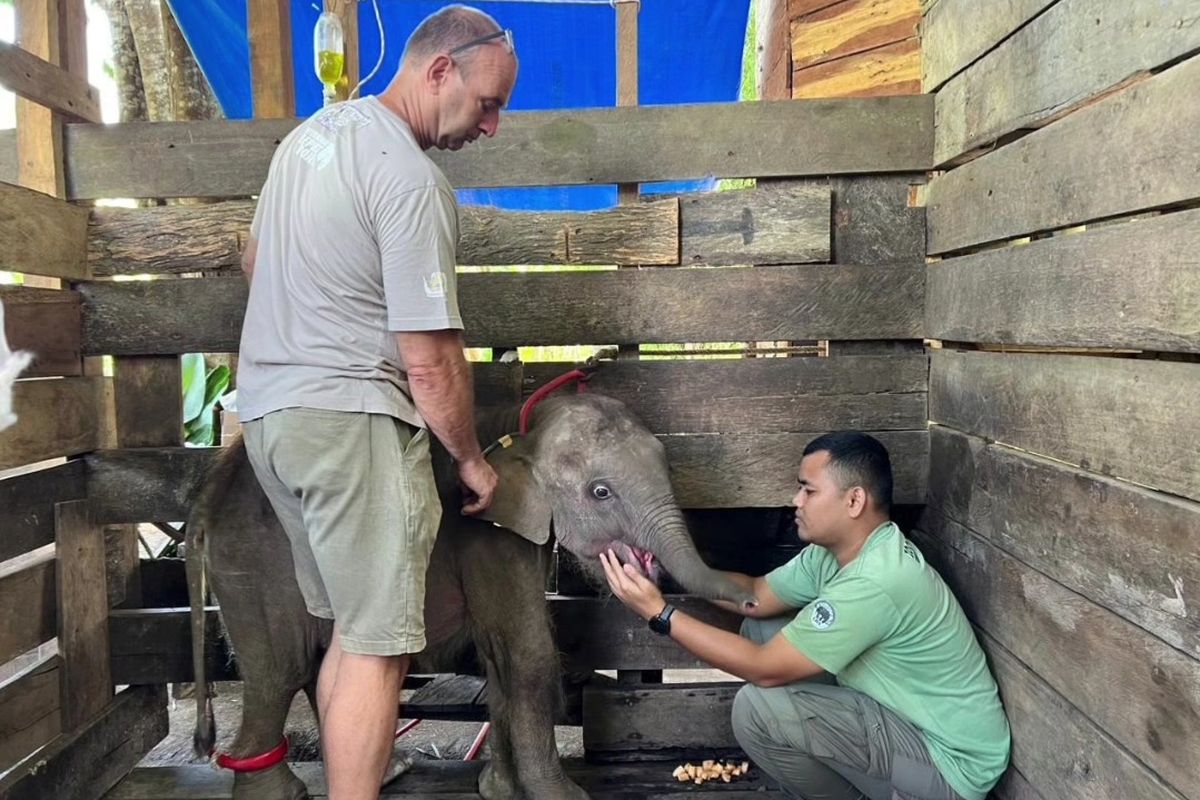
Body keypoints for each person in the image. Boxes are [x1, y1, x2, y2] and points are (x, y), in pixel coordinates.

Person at [235, 6, 517, 798]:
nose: (490, 126)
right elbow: (428, 359)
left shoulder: (308, 141)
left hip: (271, 418)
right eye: (488, 102)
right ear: (439, 71)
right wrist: (469, 460)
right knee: (379, 646)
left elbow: (257, 261)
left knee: (354, 640)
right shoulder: (410, 178)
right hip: (350, 420)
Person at [601, 431, 1010, 800]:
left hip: (949, 770)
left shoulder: (879, 581)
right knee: (762, 627)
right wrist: (671, 567)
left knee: (757, 710)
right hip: (900, 719)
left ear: (854, 501)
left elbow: (765, 669)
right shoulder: (836, 553)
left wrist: (659, 613)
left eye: (808, 491)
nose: (796, 501)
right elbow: (756, 596)